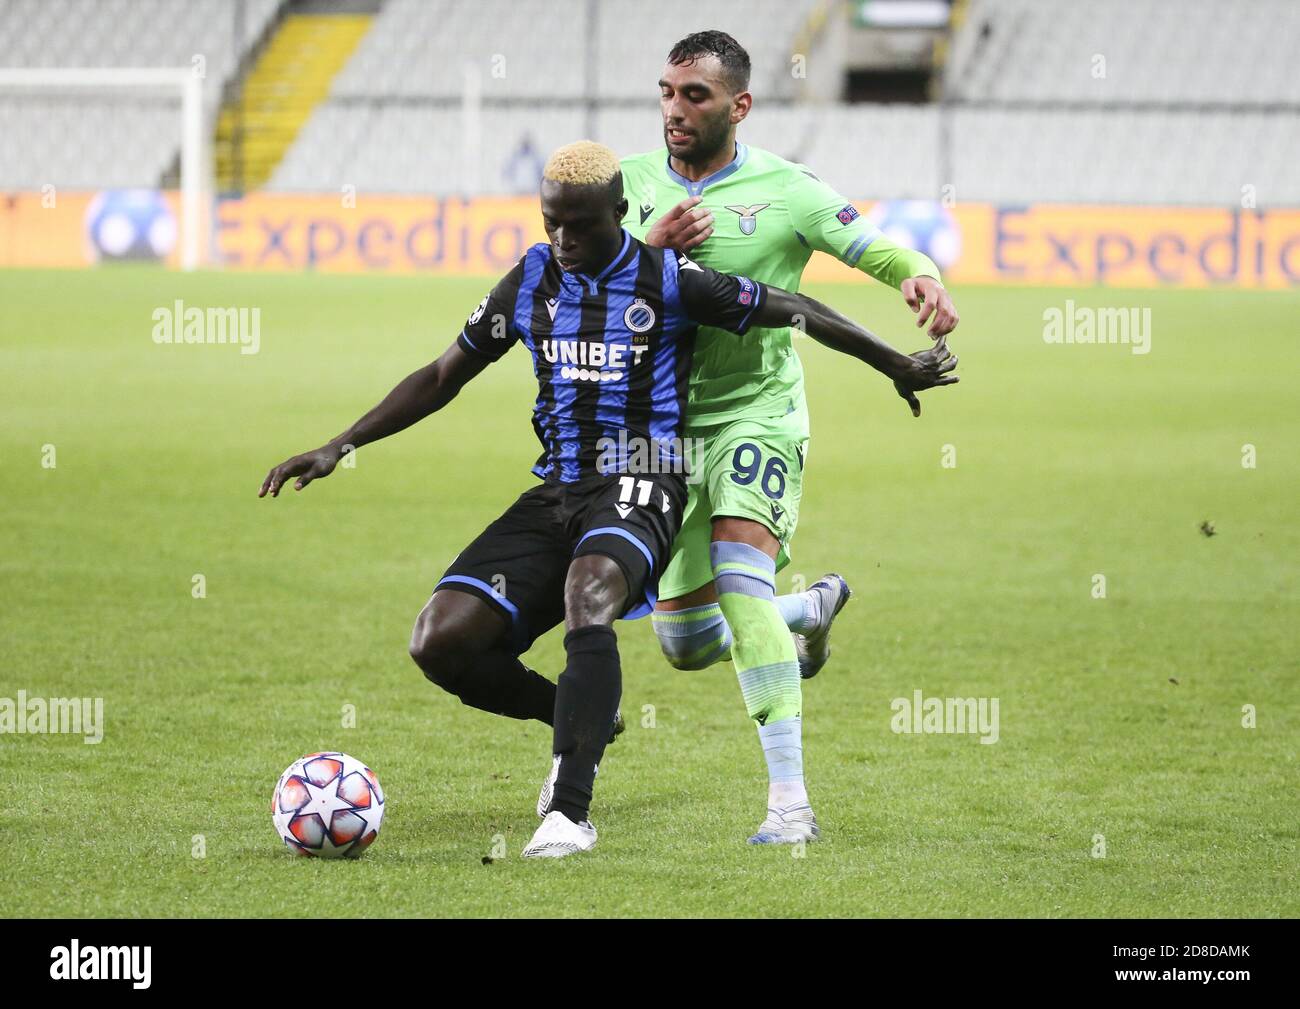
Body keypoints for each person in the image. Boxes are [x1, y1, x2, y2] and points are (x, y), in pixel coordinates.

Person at [259, 141, 958, 858]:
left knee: (587, 591)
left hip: (645, 475)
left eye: (581, 226)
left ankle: (569, 811)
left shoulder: (669, 279)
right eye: (550, 223)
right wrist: (339, 444)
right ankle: (577, 709)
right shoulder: (530, 280)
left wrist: (894, 363)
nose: (563, 241)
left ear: (620, 213)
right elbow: (443, 375)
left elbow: (792, 306)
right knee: (440, 640)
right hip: (559, 486)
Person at [620, 31, 963, 842]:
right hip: (663, 430)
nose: (675, 109)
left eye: (694, 96)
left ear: (738, 106)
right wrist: (650, 248)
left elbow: (874, 248)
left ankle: (790, 807)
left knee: (740, 590)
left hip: (757, 414)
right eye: (668, 91)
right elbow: (581, 286)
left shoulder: (788, 189)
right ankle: (807, 606)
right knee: (680, 642)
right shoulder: (626, 185)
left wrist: (922, 276)